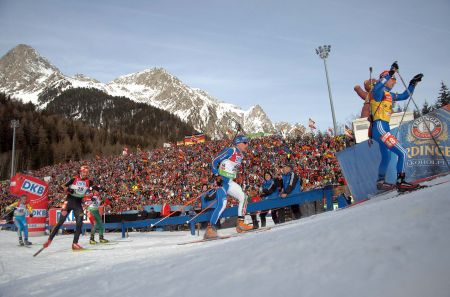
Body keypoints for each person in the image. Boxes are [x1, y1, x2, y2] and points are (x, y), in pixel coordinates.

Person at [369, 62, 423, 191]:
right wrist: (390, 73)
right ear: (385, 79)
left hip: (382, 128)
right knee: (403, 152)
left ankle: (380, 182)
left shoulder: (390, 95)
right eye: (393, 80)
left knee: (386, 156)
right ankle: (401, 181)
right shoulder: (379, 92)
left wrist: (412, 84)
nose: (394, 82)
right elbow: (376, 88)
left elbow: (404, 96)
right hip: (380, 127)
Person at [204, 135, 253, 239]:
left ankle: (240, 223)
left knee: (243, 197)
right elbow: (214, 162)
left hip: (229, 182)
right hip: (221, 181)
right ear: (239, 143)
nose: (247, 145)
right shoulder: (231, 150)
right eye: (245, 143)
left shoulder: (241, 155)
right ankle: (210, 229)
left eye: (247, 143)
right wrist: (217, 176)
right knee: (222, 204)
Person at [43, 165, 96, 251]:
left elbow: (93, 190)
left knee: (80, 222)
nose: (85, 174)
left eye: (86, 173)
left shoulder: (89, 182)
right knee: (60, 221)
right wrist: (68, 190)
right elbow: (62, 186)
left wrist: (91, 194)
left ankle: (75, 243)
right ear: (80, 172)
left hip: (78, 204)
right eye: (83, 172)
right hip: (68, 202)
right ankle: (49, 240)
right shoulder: (74, 179)